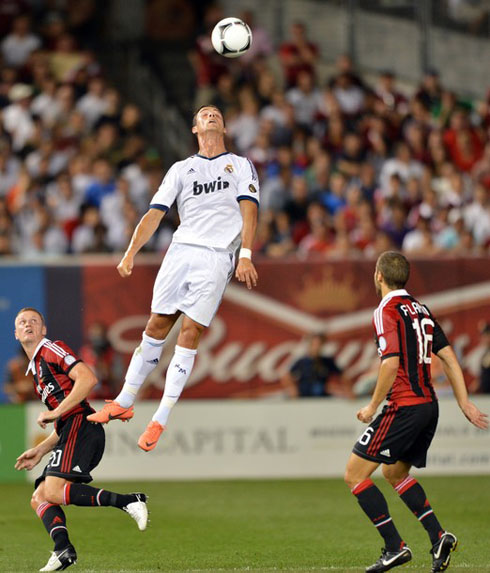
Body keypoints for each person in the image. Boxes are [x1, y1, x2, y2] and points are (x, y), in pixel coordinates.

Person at [88, 104, 259, 452]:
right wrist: (131, 251)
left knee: (190, 330)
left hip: (216, 255)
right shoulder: (182, 169)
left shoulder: (240, 165)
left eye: (216, 114)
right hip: (180, 252)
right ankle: (124, 399)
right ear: (194, 128)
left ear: (223, 128)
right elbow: (155, 212)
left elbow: (249, 208)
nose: (211, 116)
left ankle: (160, 418)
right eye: (204, 114)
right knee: (155, 325)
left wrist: (246, 254)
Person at [343, 251, 488, 573]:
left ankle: (395, 547)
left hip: (404, 406)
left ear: (379, 276)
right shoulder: (421, 309)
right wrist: (464, 401)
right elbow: (448, 355)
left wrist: (372, 406)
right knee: (393, 472)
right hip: (429, 406)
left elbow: (390, 362)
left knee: (354, 474)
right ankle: (438, 537)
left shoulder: (386, 310)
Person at [14, 307, 148, 572]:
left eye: (34, 321)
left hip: (82, 426)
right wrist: (40, 450)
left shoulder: (51, 349)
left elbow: (88, 379)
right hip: (70, 429)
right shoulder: (37, 373)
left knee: (51, 491)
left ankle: (129, 501)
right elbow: (62, 417)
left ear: (43, 330)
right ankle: (63, 549)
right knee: (40, 497)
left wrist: (55, 412)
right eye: (21, 322)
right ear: (15, 333)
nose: (27, 324)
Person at [282, 333, 344, 398]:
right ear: (309, 345)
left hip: (322, 398)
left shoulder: (327, 361)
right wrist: (293, 390)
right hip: (304, 398)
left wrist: (348, 390)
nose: (316, 347)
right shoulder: (302, 361)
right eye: (314, 345)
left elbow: (342, 375)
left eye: (319, 344)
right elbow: (286, 376)